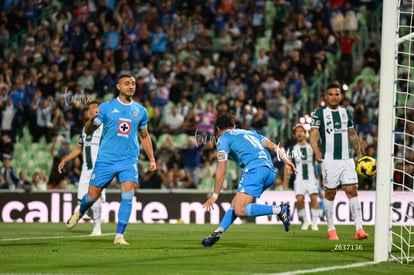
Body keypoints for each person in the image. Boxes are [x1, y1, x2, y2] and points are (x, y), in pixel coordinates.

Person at [65, 74, 157, 245]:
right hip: (106, 160)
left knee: (128, 194)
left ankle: (119, 236)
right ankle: (80, 212)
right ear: (118, 87)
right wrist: (91, 119)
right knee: (91, 197)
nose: (131, 86)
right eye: (127, 83)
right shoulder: (106, 108)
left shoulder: (141, 111)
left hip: (128, 160)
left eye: (133, 84)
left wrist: (152, 158)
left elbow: (144, 136)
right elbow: (91, 129)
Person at [201, 113, 296, 247]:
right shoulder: (250, 133)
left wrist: (214, 196)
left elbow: (221, 169)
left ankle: (279, 209)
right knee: (235, 204)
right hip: (269, 172)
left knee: (240, 209)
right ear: (233, 126)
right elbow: (273, 145)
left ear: (217, 130)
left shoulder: (223, 139)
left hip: (255, 170)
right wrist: (286, 160)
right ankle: (217, 233)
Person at [309, 82, 369, 241]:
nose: (334, 97)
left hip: (347, 159)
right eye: (331, 94)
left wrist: (359, 153)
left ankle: (359, 229)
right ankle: (331, 229)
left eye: (337, 94)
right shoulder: (319, 113)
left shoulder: (347, 113)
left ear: (341, 96)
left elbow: (351, 134)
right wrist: (316, 152)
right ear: (326, 97)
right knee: (330, 193)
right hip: (329, 160)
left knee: (352, 190)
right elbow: (313, 134)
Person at [58, 101, 105, 236]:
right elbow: (78, 149)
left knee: (94, 198)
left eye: (94, 109)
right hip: (86, 170)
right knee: (82, 201)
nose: (91, 111)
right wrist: (65, 159)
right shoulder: (84, 130)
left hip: (99, 168)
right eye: (89, 109)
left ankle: (97, 227)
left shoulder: (104, 127)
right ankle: (96, 218)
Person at [289, 124, 320, 231]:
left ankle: (315, 223)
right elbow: (287, 165)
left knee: (314, 198)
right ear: (294, 135)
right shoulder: (292, 148)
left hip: (311, 178)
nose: (299, 133)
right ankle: (306, 221)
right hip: (299, 178)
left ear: (305, 133)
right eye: (297, 131)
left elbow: (319, 161)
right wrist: (285, 181)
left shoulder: (312, 146)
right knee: (299, 199)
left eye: (301, 131)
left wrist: (322, 178)